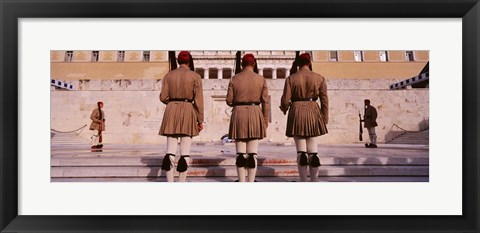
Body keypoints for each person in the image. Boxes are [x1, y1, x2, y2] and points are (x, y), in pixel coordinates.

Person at [280, 53, 328, 182]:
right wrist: (324, 117)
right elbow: (324, 100)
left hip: (297, 111)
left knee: (301, 152)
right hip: (313, 111)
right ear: (309, 62)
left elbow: (285, 100)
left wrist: (284, 109)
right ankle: (314, 180)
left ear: (298, 63)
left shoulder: (291, 78)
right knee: (313, 152)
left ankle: (303, 181)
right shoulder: (319, 78)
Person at [159, 51, 204, 182]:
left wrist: (173, 102)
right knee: (185, 152)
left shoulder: (169, 75)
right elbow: (199, 101)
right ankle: (181, 182)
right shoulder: (195, 76)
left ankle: (170, 182)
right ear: (189, 61)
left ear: (178, 61)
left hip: (171, 109)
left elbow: (163, 97)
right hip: (188, 109)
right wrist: (200, 120)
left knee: (170, 151)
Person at [226, 53, 269, 182]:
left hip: (239, 113)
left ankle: (241, 181)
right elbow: (265, 102)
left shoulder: (234, 79)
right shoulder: (261, 79)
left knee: (240, 153)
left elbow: (229, 100)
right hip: (255, 113)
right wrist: (265, 120)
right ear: (254, 64)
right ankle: (251, 181)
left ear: (241, 64)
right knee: (252, 153)